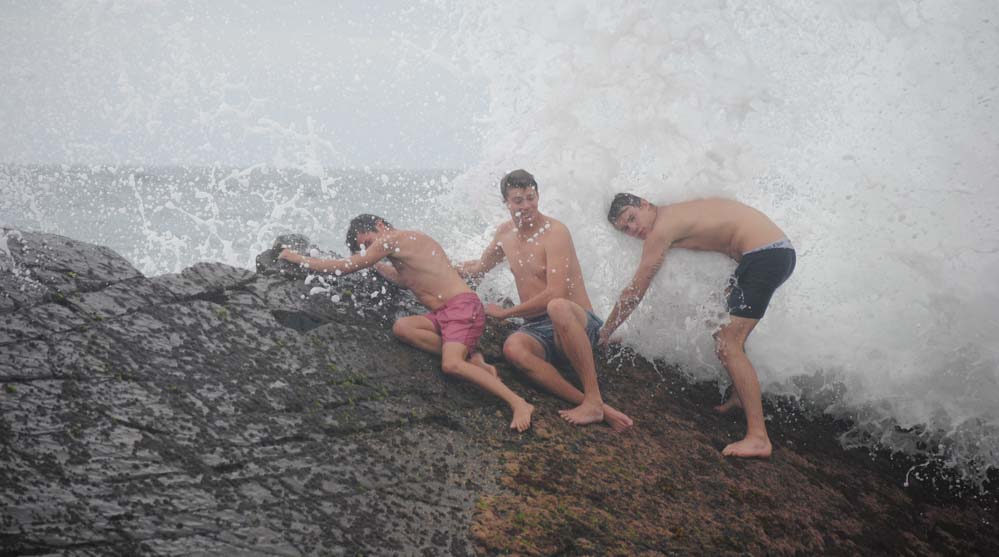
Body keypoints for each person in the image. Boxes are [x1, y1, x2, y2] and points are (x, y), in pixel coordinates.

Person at [279, 214, 534, 432]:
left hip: (462, 309)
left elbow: (346, 267)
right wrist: (377, 263)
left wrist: (298, 259)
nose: (370, 248)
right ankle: (472, 357)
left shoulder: (394, 238)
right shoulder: (408, 245)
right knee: (403, 327)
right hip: (444, 314)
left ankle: (518, 402)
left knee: (451, 365)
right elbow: (405, 280)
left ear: (380, 225)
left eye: (368, 242)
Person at [600, 194, 796, 457]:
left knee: (729, 344)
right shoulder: (675, 212)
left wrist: (605, 331)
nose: (633, 229)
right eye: (626, 229)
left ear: (645, 204)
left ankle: (759, 438)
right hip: (770, 251)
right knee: (720, 327)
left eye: (632, 218)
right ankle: (740, 396)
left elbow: (635, 290)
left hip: (765, 255)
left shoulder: (662, 229)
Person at [457, 170, 633, 431]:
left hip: (575, 322)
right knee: (512, 348)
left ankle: (594, 397)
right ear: (506, 203)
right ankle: (595, 406)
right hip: (538, 329)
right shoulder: (504, 234)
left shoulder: (555, 232)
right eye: (518, 200)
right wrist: (437, 270)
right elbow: (480, 268)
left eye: (530, 197)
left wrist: (507, 313)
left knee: (557, 306)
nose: (526, 205)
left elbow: (555, 293)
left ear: (538, 195)